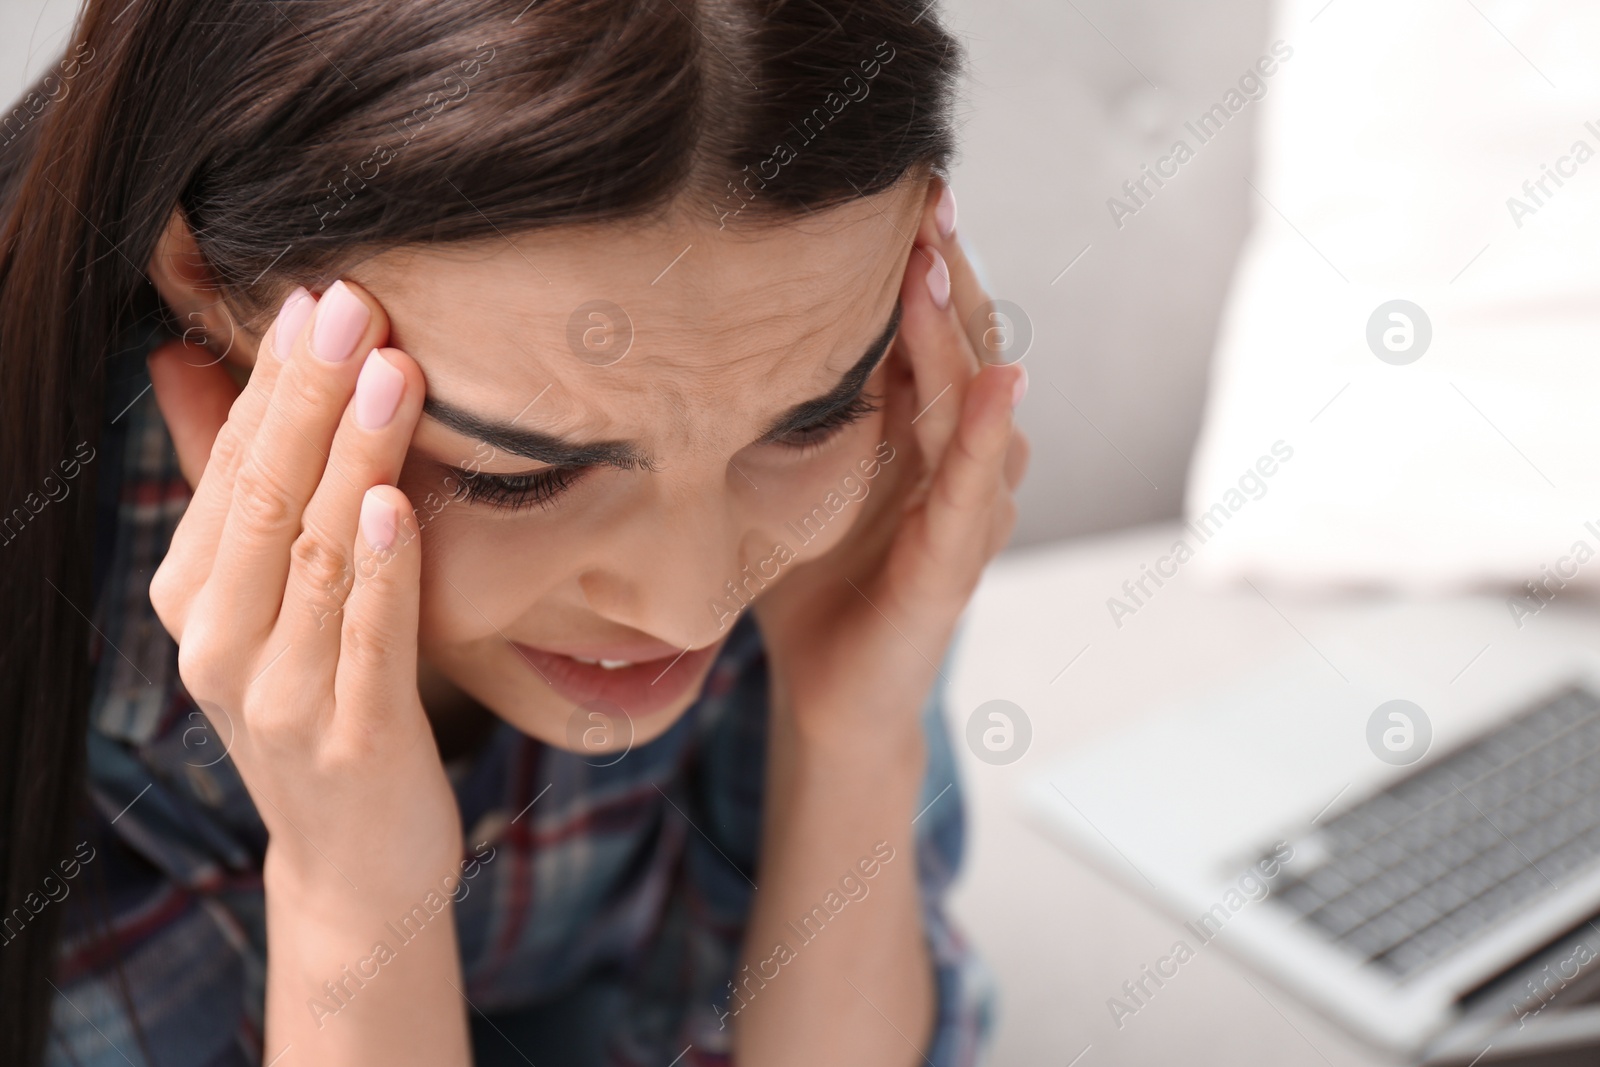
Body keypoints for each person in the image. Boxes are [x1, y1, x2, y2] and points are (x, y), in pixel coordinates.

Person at [0, 1, 1029, 1064]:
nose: (690, 603)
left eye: (811, 418)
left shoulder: (789, 337)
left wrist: (853, 732)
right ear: (206, 278)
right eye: (520, 474)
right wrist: (353, 895)